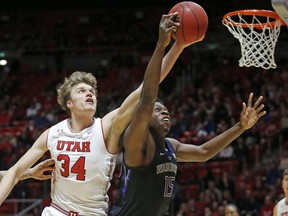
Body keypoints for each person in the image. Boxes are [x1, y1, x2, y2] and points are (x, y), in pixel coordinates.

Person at [0, 12, 191, 215]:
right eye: (81, 91)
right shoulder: (51, 134)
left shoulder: (107, 127)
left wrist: (175, 46)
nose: (89, 94)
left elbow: (147, 88)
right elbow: (13, 173)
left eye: (92, 91)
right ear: (69, 103)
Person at [109, 91, 266, 216]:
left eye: (166, 110)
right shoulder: (140, 143)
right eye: (158, 110)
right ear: (146, 119)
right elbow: (143, 107)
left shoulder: (172, 145)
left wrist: (241, 127)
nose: (165, 113)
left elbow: (204, 152)